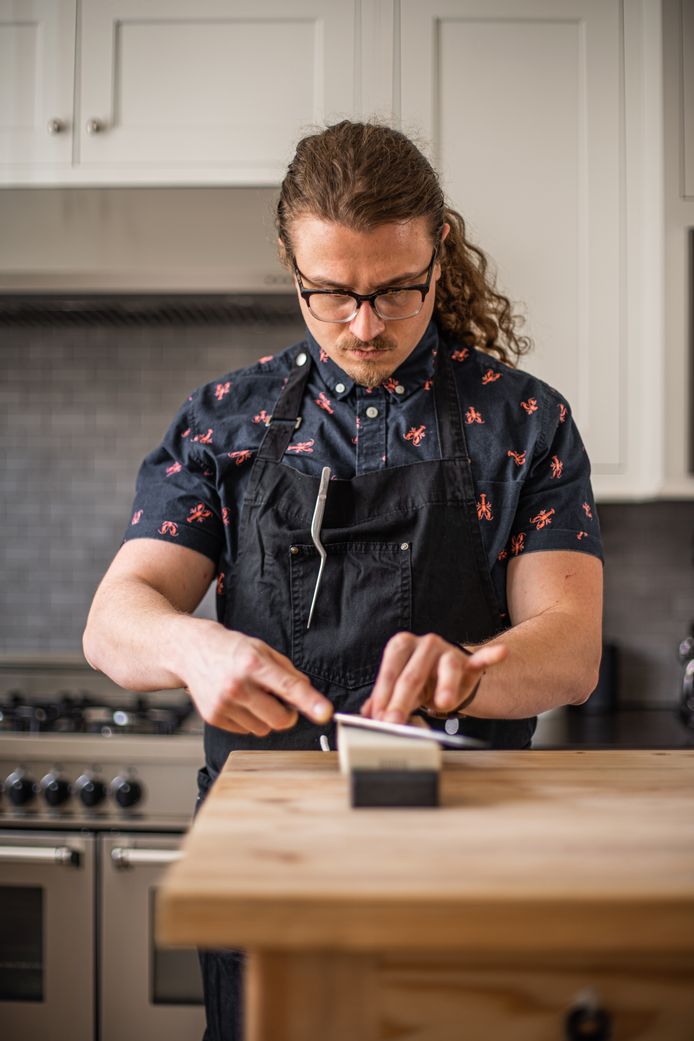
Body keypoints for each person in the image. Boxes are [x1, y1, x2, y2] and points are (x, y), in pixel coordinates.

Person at [83, 120, 603, 1041]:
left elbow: (569, 648)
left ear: (439, 253)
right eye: (331, 294)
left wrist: (474, 669)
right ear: (290, 264)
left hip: (465, 858)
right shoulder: (224, 421)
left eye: (397, 290)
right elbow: (116, 621)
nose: (365, 325)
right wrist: (190, 644)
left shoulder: (523, 420)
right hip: (269, 857)